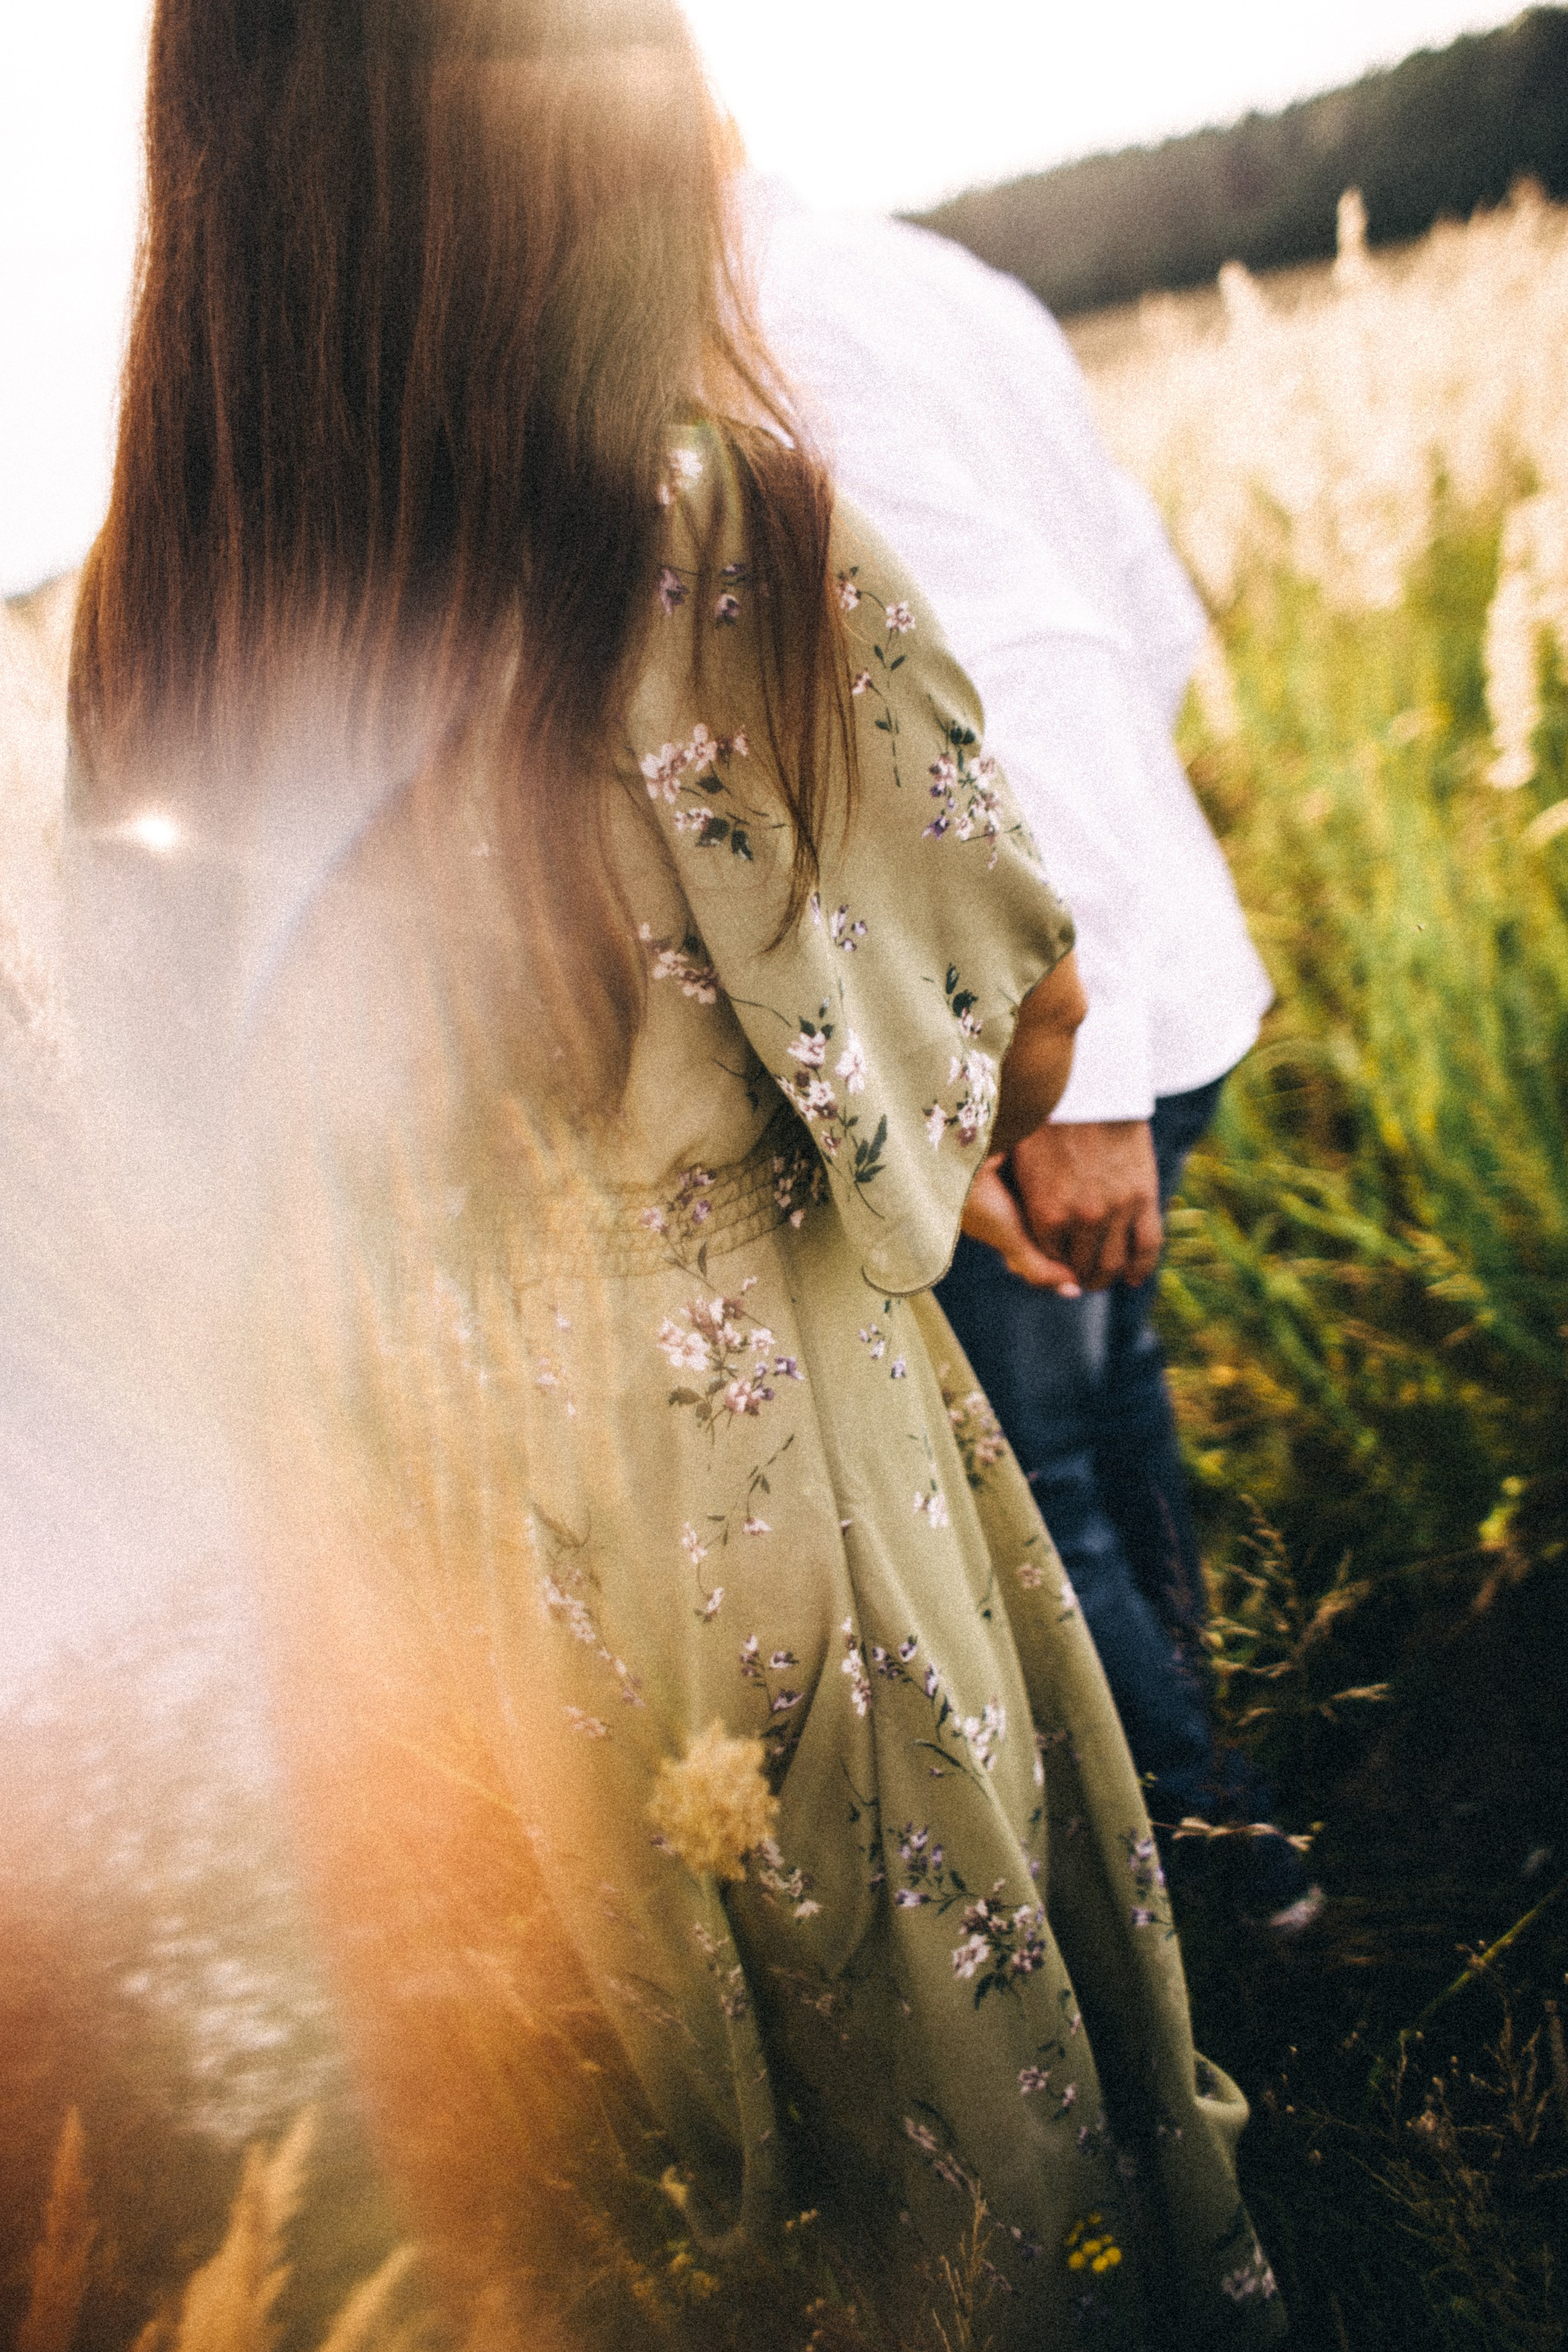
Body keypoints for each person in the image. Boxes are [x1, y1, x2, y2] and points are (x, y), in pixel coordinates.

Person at [64, 4, 1286, 2345]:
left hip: (409, 1480)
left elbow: (159, 1143)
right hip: (749, 1439)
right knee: (910, 2005)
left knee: (598, 2054)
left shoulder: (149, 611)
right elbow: (1001, 1007)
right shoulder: (691, 509)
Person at [742, 181, 1321, 1930]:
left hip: (1056, 1057)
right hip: (1140, 980)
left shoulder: (768, 325)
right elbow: (1150, 616)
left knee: (1045, 1468)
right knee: (1104, 1403)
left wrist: (1095, 1080)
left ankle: (1206, 1877)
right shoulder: (930, 275)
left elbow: (1040, 669)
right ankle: (1212, 1806)